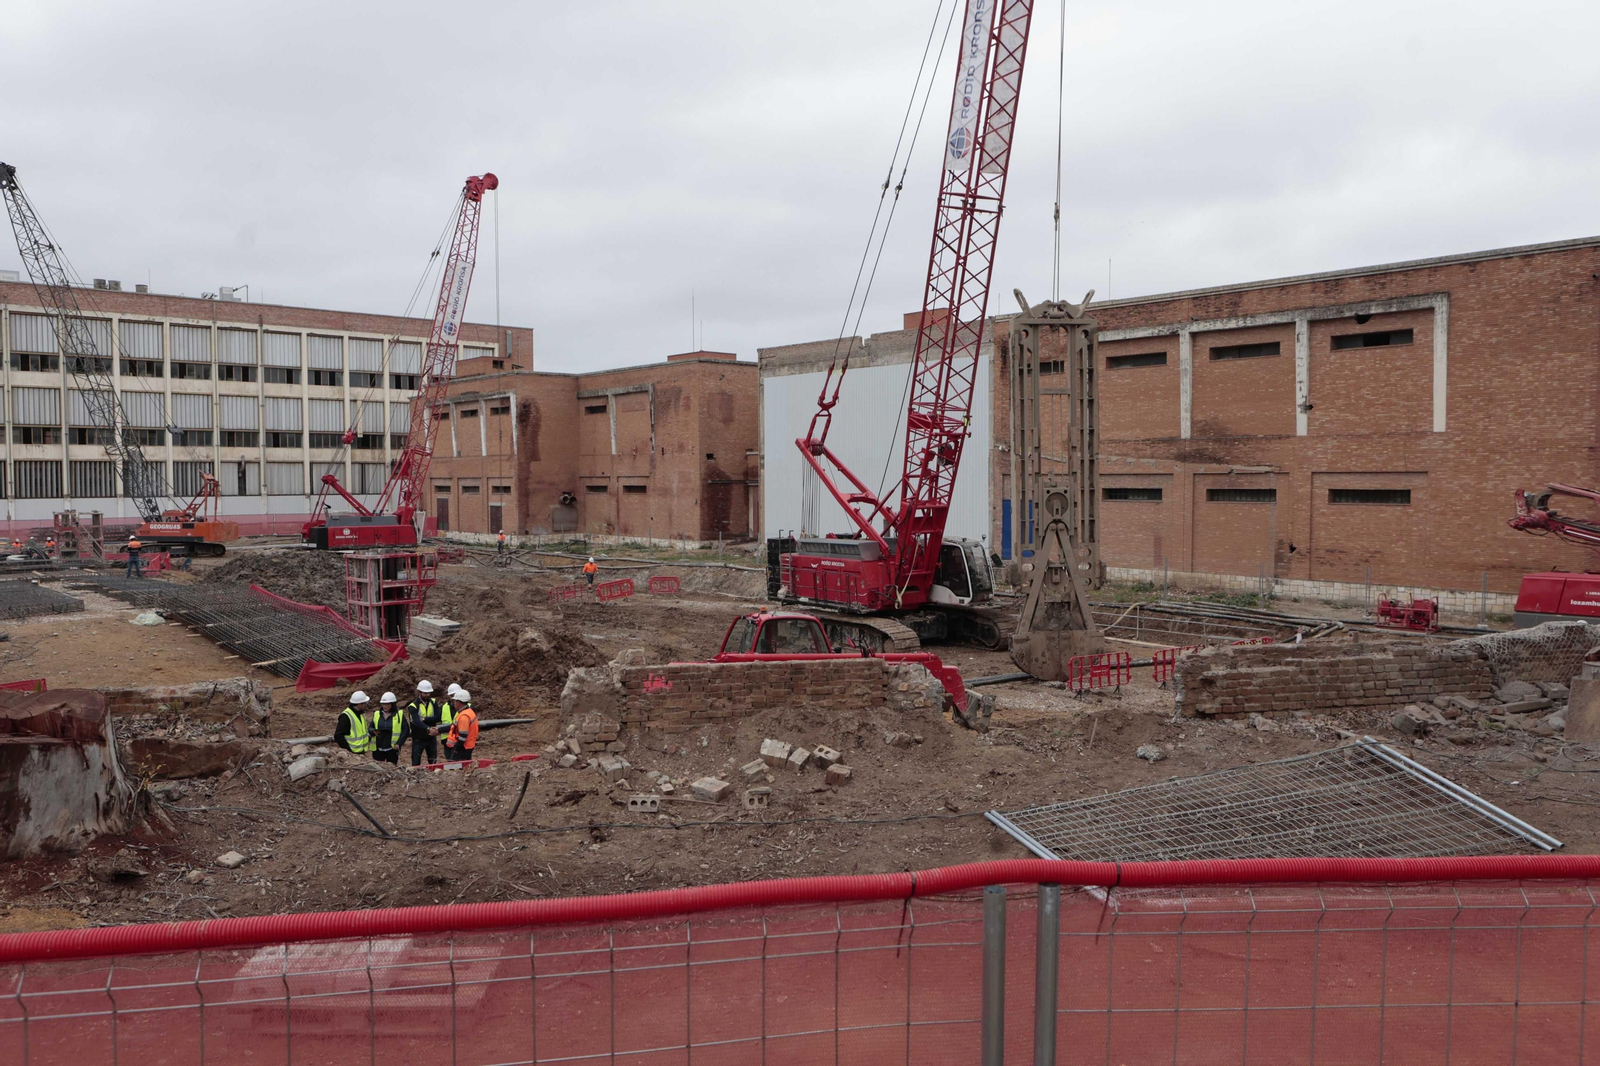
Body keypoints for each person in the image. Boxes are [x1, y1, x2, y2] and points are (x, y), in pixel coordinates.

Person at [405, 679, 450, 766]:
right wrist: (428, 728)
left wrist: (425, 719)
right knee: (416, 763)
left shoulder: (433, 702)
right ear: (419, 692)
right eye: (425, 693)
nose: (427, 695)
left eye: (428, 693)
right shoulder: (413, 706)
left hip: (431, 738)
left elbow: (438, 717)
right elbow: (417, 721)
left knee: (433, 761)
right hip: (418, 738)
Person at [370, 692, 405, 764]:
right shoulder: (377, 714)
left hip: (392, 749)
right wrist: (373, 731)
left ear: (392, 704)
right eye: (383, 704)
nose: (385, 706)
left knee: (392, 769)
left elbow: (405, 730)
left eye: (387, 704)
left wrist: (399, 743)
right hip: (378, 749)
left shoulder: (399, 714)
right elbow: (370, 727)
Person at [334, 690, 373, 755]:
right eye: (365, 703)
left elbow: (361, 733)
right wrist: (348, 750)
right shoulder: (346, 716)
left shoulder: (361, 714)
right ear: (359, 704)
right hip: (353, 753)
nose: (366, 705)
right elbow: (338, 736)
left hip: (362, 751)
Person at [447, 690, 479, 762]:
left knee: (458, 767)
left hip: (463, 748)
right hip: (467, 746)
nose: (454, 704)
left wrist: (456, 750)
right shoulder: (469, 712)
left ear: (458, 702)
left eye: (455, 702)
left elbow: (462, 737)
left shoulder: (464, 716)